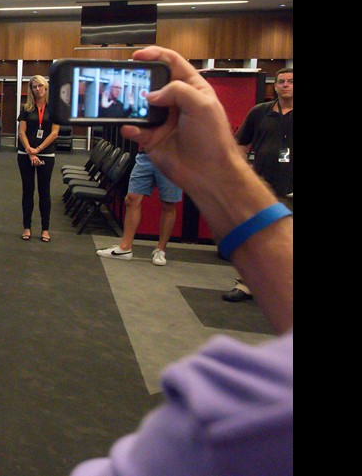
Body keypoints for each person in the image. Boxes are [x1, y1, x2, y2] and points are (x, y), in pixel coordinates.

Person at [70, 46, 292, 476]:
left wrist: (222, 172)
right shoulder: (262, 113)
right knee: (136, 198)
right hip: (245, 181)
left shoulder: (238, 415)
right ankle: (131, 244)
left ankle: (159, 248)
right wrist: (224, 171)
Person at [224, 67, 293, 302]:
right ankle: (246, 285)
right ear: (275, 86)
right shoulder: (260, 112)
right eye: (281, 81)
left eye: (291, 81)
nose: (285, 85)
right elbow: (241, 144)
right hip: (262, 185)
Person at [95, 149, 183, 266]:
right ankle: (125, 248)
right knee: (131, 199)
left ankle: (160, 249)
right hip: (146, 156)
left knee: (169, 204)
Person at [17, 75, 60, 242]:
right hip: (26, 155)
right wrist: (30, 152)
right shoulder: (26, 108)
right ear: (31, 89)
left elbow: (54, 133)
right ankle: (27, 227)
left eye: (40, 86)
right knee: (28, 191)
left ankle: (45, 229)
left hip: (46, 154)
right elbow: (21, 132)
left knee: (44, 191)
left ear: (46, 87)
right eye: (34, 87)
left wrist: (39, 150)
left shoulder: (54, 108)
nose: (37, 89)